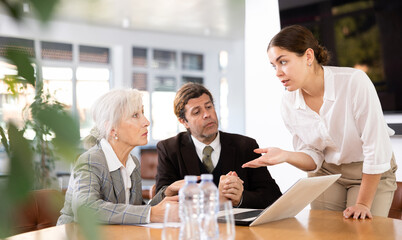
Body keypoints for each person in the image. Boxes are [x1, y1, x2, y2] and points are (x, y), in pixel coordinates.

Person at [242, 25, 397, 219]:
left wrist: (363, 204)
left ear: (308, 56)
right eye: (274, 65)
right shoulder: (289, 103)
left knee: (360, 231)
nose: (278, 73)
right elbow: (313, 156)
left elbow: (376, 147)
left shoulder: (354, 82)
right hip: (327, 173)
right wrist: (285, 156)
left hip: (369, 169)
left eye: (283, 62)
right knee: (323, 231)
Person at [57, 89, 178, 225]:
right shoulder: (90, 160)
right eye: (135, 115)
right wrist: (152, 213)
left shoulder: (133, 162)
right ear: (112, 128)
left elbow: (134, 211)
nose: (146, 122)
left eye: (142, 113)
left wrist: (166, 193)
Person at [155, 83, 282, 209]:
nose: (207, 114)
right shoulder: (169, 149)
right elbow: (159, 201)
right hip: (193, 226)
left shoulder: (245, 146)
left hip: (237, 227)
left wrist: (240, 198)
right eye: (197, 112)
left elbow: (273, 196)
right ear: (183, 121)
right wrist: (171, 191)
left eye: (209, 107)